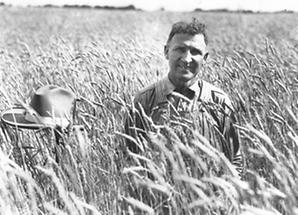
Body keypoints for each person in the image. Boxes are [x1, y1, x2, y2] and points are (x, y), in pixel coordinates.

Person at [125, 19, 243, 177]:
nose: (187, 59)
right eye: (180, 49)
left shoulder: (218, 101)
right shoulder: (144, 100)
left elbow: (234, 159)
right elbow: (129, 156)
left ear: (205, 58)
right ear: (166, 51)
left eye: (195, 52)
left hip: (209, 197)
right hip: (158, 199)